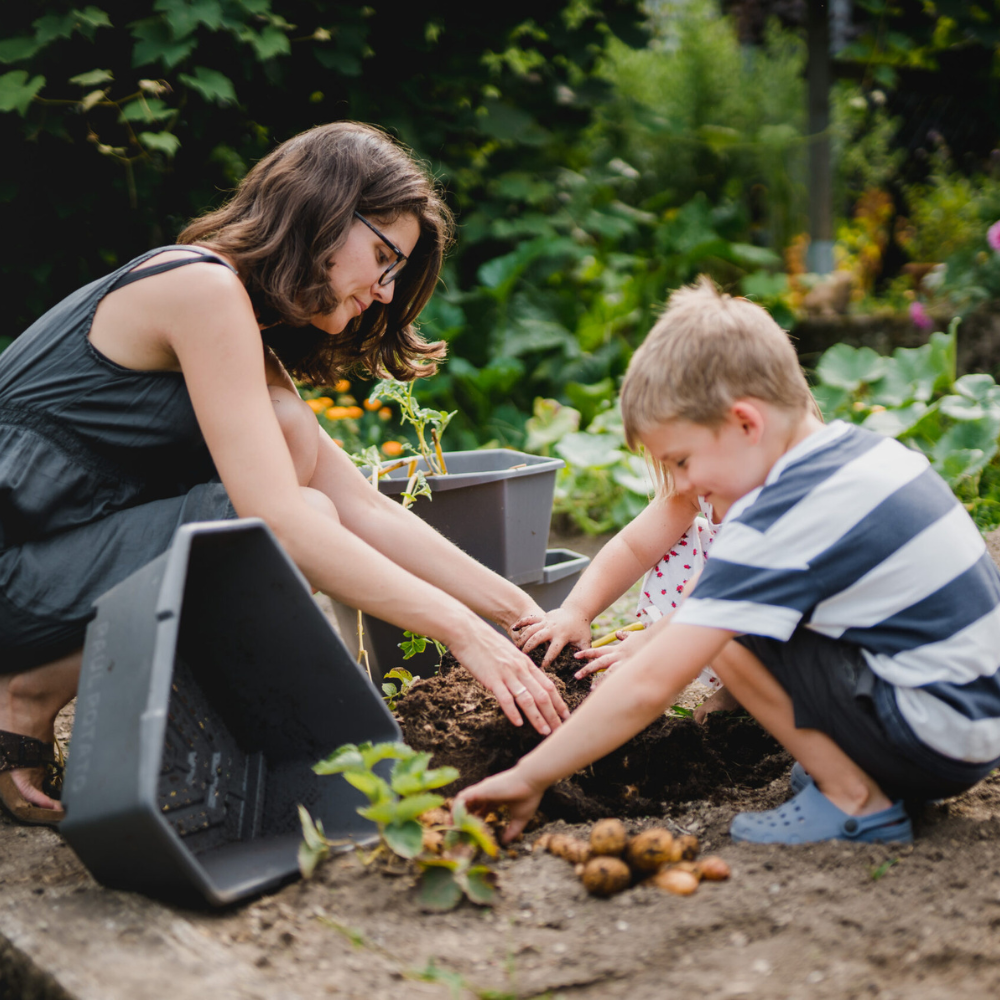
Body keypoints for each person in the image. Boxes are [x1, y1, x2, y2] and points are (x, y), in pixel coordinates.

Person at [0, 121, 568, 826]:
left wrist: (522, 617)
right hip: (14, 571)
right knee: (279, 525)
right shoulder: (198, 287)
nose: (387, 292)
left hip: (45, 563)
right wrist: (461, 631)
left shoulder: (236, 313)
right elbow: (283, 519)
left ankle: (31, 683)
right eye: (384, 257)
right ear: (326, 211)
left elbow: (362, 504)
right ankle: (24, 694)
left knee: (294, 440)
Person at [457, 277, 1000, 847]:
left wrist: (530, 775)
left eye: (684, 460)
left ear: (746, 422)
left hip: (936, 738)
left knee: (725, 630)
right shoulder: (863, 456)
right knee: (736, 612)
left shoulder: (776, 517)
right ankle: (862, 768)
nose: (684, 484)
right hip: (967, 722)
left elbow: (652, 685)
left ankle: (856, 799)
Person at [511, 465, 739, 720]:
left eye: (685, 458)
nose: (684, 480)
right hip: (720, 607)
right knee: (677, 536)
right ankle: (734, 680)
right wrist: (576, 611)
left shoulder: (771, 499)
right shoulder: (696, 483)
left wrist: (652, 641)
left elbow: (725, 589)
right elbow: (632, 547)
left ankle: (750, 684)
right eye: (673, 463)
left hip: (776, 621)